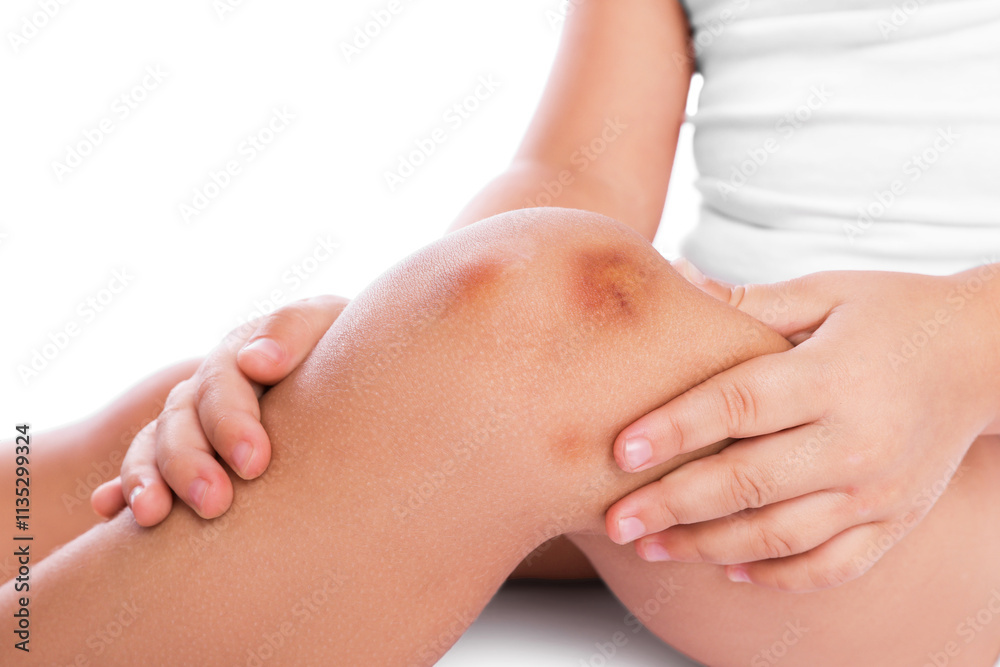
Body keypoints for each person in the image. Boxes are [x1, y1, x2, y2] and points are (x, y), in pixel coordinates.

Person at [5, 1, 1000, 665]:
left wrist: (957, 351)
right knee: (242, 417)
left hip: (961, 465)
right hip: (700, 404)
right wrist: (414, 331)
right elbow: (576, 174)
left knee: (523, 335)